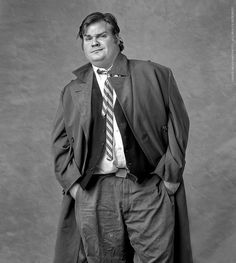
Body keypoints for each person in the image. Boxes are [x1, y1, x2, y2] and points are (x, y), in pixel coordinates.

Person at [51, 12, 193, 263]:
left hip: (147, 187)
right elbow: (60, 141)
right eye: (87, 38)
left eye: (101, 36)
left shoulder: (155, 74)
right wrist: (73, 185)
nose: (94, 43)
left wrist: (170, 177)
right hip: (95, 191)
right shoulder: (72, 90)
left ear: (117, 38)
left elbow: (178, 125)